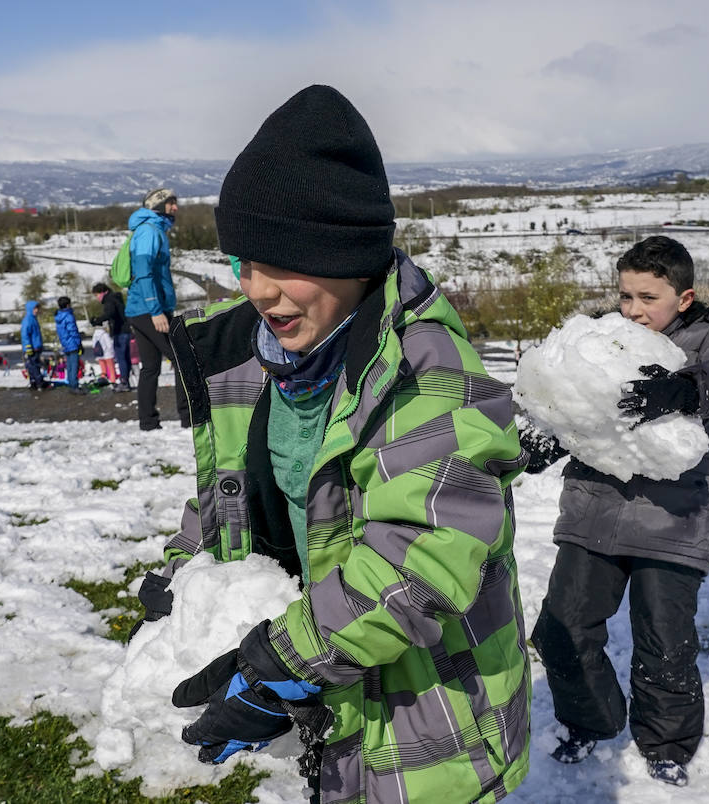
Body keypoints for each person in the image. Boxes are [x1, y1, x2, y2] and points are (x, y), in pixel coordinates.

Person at [143, 85, 531, 803]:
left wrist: (279, 662)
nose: (258, 290)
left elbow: (422, 560)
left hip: (424, 720)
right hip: (330, 697)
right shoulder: (246, 357)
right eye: (243, 263)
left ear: (348, 255)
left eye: (282, 261)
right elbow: (237, 487)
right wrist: (184, 568)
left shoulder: (427, 371)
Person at [527, 236, 709, 787]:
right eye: (625, 295)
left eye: (646, 297)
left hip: (671, 520)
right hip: (593, 511)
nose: (632, 309)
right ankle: (591, 717)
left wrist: (685, 389)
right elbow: (579, 403)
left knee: (664, 640)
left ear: (683, 299)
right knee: (562, 629)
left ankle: (666, 742)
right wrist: (547, 435)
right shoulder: (607, 338)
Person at [124, 188, 190, 430]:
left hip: (141, 308)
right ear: (158, 205)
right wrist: (155, 310)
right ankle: (189, 418)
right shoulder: (149, 231)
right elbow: (143, 272)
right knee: (183, 358)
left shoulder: (153, 229)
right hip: (149, 308)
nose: (175, 207)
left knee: (150, 367)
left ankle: (148, 422)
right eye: (171, 203)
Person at [89, 282, 131, 390]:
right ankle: (126, 381)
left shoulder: (109, 300)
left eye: (97, 295)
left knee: (121, 358)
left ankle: (124, 382)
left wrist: (97, 320)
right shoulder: (116, 298)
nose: (97, 298)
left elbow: (110, 313)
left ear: (104, 292)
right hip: (125, 330)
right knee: (125, 357)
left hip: (120, 331)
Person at [54, 296, 83, 392]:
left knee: (69, 366)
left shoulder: (58, 317)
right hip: (72, 343)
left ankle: (71, 384)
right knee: (74, 365)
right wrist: (79, 343)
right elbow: (73, 331)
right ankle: (74, 385)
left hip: (65, 344)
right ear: (68, 305)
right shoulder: (69, 316)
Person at [20, 300, 47, 390]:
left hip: (36, 347)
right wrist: (28, 348)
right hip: (32, 348)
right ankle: (39, 383)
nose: (37, 310)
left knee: (34, 366)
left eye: (37, 308)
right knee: (34, 366)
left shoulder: (33, 319)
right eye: (35, 308)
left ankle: (34, 383)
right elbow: (25, 335)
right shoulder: (28, 320)